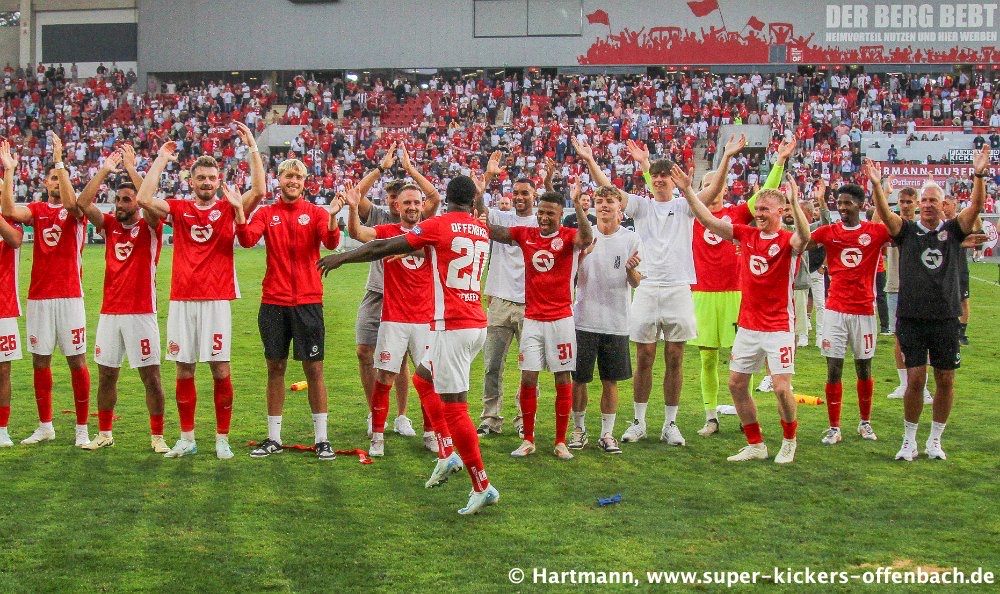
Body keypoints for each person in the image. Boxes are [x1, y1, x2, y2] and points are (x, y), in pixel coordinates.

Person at [318, 175, 498, 516]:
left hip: (452, 325)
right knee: (421, 378)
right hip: (475, 320)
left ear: (445, 199)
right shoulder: (479, 228)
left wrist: (342, 258)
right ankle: (446, 453)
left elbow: (383, 247)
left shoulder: (438, 226)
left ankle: (482, 485)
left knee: (456, 408)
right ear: (473, 202)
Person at [575, 134, 746, 447]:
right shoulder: (641, 207)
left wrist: (726, 157)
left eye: (664, 178)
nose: (659, 182)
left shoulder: (685, 205)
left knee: (675, 357)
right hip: (648, 286)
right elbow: (612, 192)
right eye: (654, 178)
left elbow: (713, 190)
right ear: (650, 180)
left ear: (673, 179)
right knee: (645, 356)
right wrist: (589, 161)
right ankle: (639, 421)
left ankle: (670, 423)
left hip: (679, 287)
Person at [136, 122, 263, 460]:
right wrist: (161, 158)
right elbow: (143, 198)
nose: (207, 183)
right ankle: (187, 438)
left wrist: (251, 146)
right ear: (191, 182)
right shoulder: (178, 209)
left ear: (219, 181)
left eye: (212, 178)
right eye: (201, 179)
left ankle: (222, 438)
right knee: (184, 368)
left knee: (221, 370)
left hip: (217, 299)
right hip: (182, 300)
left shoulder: (227, 208)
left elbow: (261, 192)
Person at [678, 166, 811, 464]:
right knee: (736, 384)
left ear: (782, 211)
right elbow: (708, 221)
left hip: (778, 326)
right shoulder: (747, 235)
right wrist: (687, 190)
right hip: (749, 325)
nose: (760, 213)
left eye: (766, 209)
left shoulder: (788, 242)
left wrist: (797, 205)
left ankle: (789, 440)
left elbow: (805, 236)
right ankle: (756, 443)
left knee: (780, 387)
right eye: (758, 208)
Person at [870, 146, 989, 461]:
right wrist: (877, 186)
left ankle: (935, 440)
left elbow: (977, 205)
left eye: (932, 200)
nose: (926, 205)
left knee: (946, 379)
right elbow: (884, 214)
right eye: (923, 200)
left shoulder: (952, 230)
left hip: (945, 318)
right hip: (911, 317)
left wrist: (978, 174)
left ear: (943, 205)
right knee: (916, 379)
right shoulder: (907, 231)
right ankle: (909, 440)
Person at [63, 146, 169, 452]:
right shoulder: (109, 226)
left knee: (151, 377)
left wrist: (133, 168)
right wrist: (107, 170)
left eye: (127, 200)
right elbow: (82, 204)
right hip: (110, 313)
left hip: (141, 312)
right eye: (118, 200)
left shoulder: (151, 225)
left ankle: (157, 437)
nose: (121, 204)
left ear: (137, 202)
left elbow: (148, 198)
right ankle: (105, 433)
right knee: (107, 375)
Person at [237, 158, 341, 461]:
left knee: (314, 370)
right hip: (273, 302)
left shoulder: (317, 213)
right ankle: (273, 438)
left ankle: (322, 438)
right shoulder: (267, 213)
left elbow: (331, 242)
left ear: (305, 182)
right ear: (278, 180)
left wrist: (333, 217)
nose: (292, 181)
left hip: (308, 302)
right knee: (275, 368)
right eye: (287, 176)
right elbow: (246, 240)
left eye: (297, 176)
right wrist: (239, 211)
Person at [690, 136, 794, 436]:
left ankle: (744, 411)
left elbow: (766, 195)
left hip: (738, 294)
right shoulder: (694, 217)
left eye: (718, 186)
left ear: (723, 187)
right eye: (707, 187)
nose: (714, 192)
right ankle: (711, 416)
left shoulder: (738, 215)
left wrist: (779, 162)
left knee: (746, 360)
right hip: (703, 295)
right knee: (707, 357)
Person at [486, 186, 592, 460]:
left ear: (561, 214)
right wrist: (478, 197)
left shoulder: (569, 237)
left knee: (562, 378)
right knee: (528, 377)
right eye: (542, 212)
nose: (544, 218)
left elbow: (587, 237)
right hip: (532, 318)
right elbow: (494, 231)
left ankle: (560, 441)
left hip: (561, 320)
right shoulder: (526, 234)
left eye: (550, 213)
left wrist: (578, 206)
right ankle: (528, 439)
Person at [1, 135, 92, 447]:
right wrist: (10, 170)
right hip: (39, 296)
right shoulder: (38, 209)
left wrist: (59, 160)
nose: (56, 182)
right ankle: (45, 426)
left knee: (76, 361)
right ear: (45, 182)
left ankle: (82, 430)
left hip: (70, 296)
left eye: (60, 178)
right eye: (52, 178)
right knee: (40, 362)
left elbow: (70, 203)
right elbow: (10, 210)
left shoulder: (77, 209)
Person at [340, 180, 442, 459]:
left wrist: (410, 248)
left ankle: (431, 434)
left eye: (415, 202)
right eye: (406, 202)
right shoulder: (388, 232)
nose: (411, 207)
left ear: (423, 206)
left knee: (428, 378)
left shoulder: (432, 231)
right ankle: (377, 437)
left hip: (424, 319)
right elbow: (359, 233)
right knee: (385, 375)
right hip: (393, 318)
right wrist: (352, 208)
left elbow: (446, 248)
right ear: (397, 206)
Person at [808, 170, 892, 446]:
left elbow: (896, 228)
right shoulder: (829, 232)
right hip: (835, 310)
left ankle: (865, 423)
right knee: (833, 369)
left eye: (847, 203)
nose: (842, 208)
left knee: (863, 369)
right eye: (839, 203)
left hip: (864, 312)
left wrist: (881, 188)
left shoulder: (875, 232)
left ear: (860, 205)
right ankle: (834, 427)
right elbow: (800, 242)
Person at [567, 186, 641, 453]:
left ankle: (607, 433)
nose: (604, 206)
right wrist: (579, 261)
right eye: (599, 201)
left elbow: (636, 282)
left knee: (610, 380)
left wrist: (631, 271)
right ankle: (579, 429)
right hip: (584, 319)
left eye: (610, 201)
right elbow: (571, 278)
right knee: (579, 379)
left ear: (620, 209)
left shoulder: (630, 239)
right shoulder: (585, 237)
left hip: (616, 321)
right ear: (593, 207)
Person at [479, 152, 536, 437]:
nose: (519, 197)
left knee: (529, 369)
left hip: (530, 304)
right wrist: (488, 176)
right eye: (515, 192)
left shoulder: (541, 222)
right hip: (499, 300)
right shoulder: (501, 215)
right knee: (491, 365)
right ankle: (490, 418)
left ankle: (524, 419)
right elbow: (477, 208)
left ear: (534, 195)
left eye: (525, 192)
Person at [885, 187, 933, 403]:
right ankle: (904, 383)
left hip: (922, 289)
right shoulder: (894, 225)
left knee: (926, 337)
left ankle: (922, 387)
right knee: (899, 338)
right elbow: (877, 220)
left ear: (916, 203)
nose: (905, 205)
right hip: (895, 286)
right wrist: (884, 195)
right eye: (901, 201)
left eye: (909, 201)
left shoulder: (924, 226)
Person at [0, 141, 23, 447]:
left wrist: (9, 171)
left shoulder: (10, 220)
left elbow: (16, 241)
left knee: (3, 369)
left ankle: (2, 429)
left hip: (3, 307)